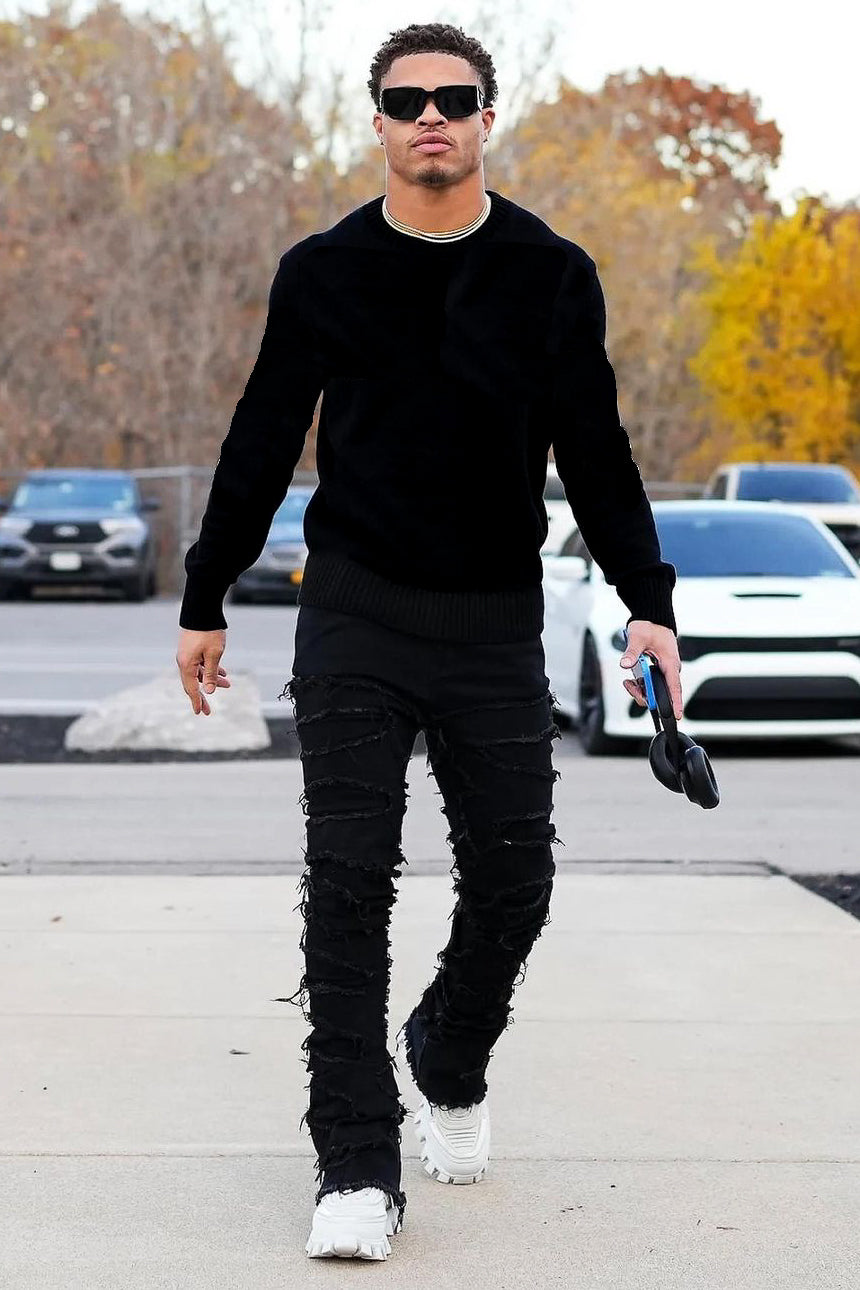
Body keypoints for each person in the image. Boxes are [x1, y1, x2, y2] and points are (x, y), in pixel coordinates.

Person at [175, 21, 683, 1263]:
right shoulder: (323, 271)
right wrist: (204, 590)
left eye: (453, 98)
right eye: (407, 102)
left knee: (515, 883)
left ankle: (448, 1054)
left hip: (494, 623)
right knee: (346, 888)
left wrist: (647, 601)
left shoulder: (549, 273)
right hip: (354, 612)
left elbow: (596, 451)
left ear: (486, 118)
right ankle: (355, 1162)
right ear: (380, 124)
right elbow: (261, 434)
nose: (431, 118)